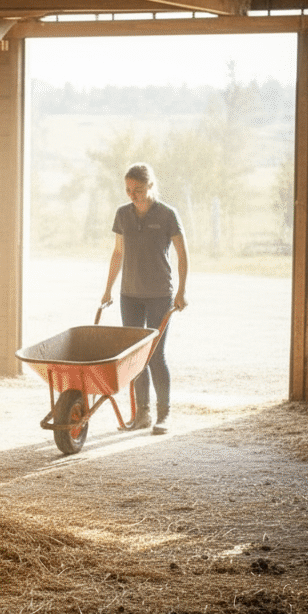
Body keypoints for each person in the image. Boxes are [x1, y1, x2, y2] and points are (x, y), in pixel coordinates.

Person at [100, 162, 188, 435]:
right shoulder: (123, 215)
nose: (132, 195)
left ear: (151, 186)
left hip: (160, 295)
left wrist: (182, 291)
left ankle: (164, 415)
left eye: (138, 189)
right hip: (130, 296)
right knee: (135, 357)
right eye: (128, 190)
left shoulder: (167, 215)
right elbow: (118, 253)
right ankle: (142, 415)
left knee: (155, 356)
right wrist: (108, 289)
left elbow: (182, 254)